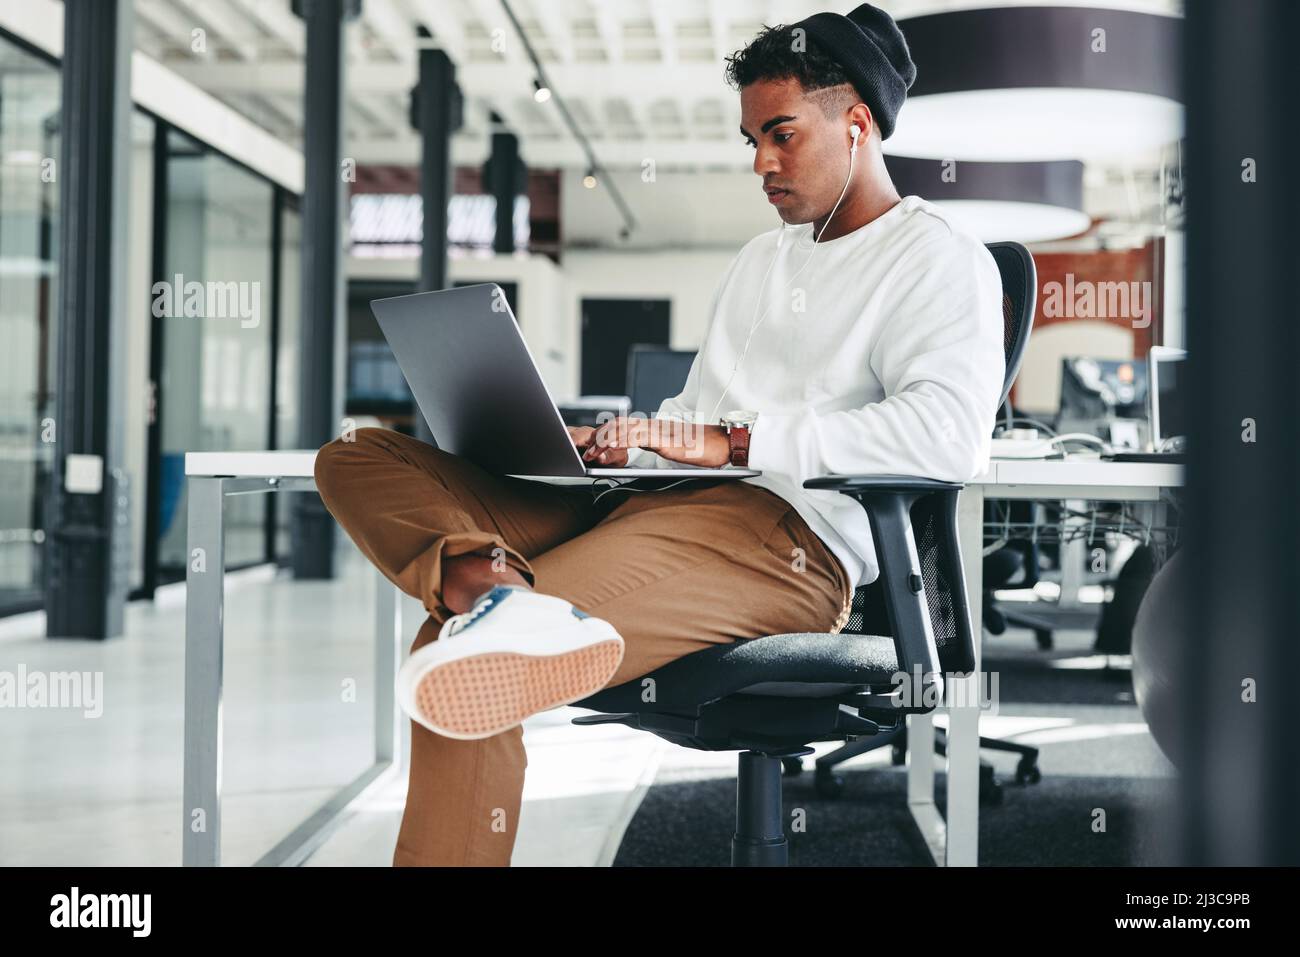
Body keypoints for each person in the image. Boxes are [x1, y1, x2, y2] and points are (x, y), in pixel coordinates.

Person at [313, 2, 1004, 867]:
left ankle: (494, 609)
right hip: (645, 504)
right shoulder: (763, 259)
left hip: (779, 545)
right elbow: (698, 414)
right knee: (357, 454)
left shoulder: (939, 260)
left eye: (782, 134)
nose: (761, 162)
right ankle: (490, 582)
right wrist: (629, 442)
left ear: (857, 122)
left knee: (459, 661)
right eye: (752, 138)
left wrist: (735, 443)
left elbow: (946, 439)